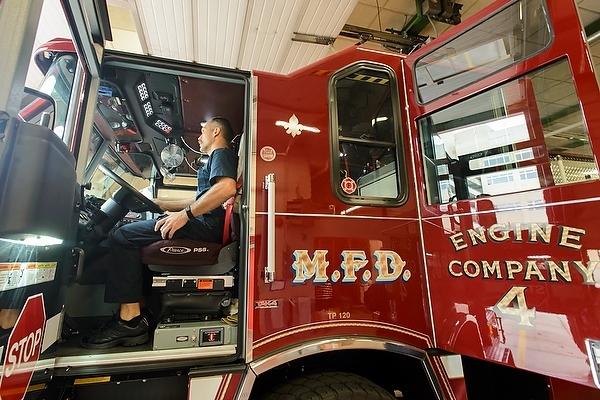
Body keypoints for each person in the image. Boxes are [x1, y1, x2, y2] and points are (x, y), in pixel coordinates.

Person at [81, 117, 238, 349]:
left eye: (203, 130)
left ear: (216, 132)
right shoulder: (214, 160)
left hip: (205, 228)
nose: (199, 135)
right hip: (203, 223)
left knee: (122, 237)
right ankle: (139, 309)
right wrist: (162, 204)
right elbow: (200, 200)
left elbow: (226, 188)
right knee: (131, 235)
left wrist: (184, 216)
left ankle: (130, 320)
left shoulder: (221, 154)